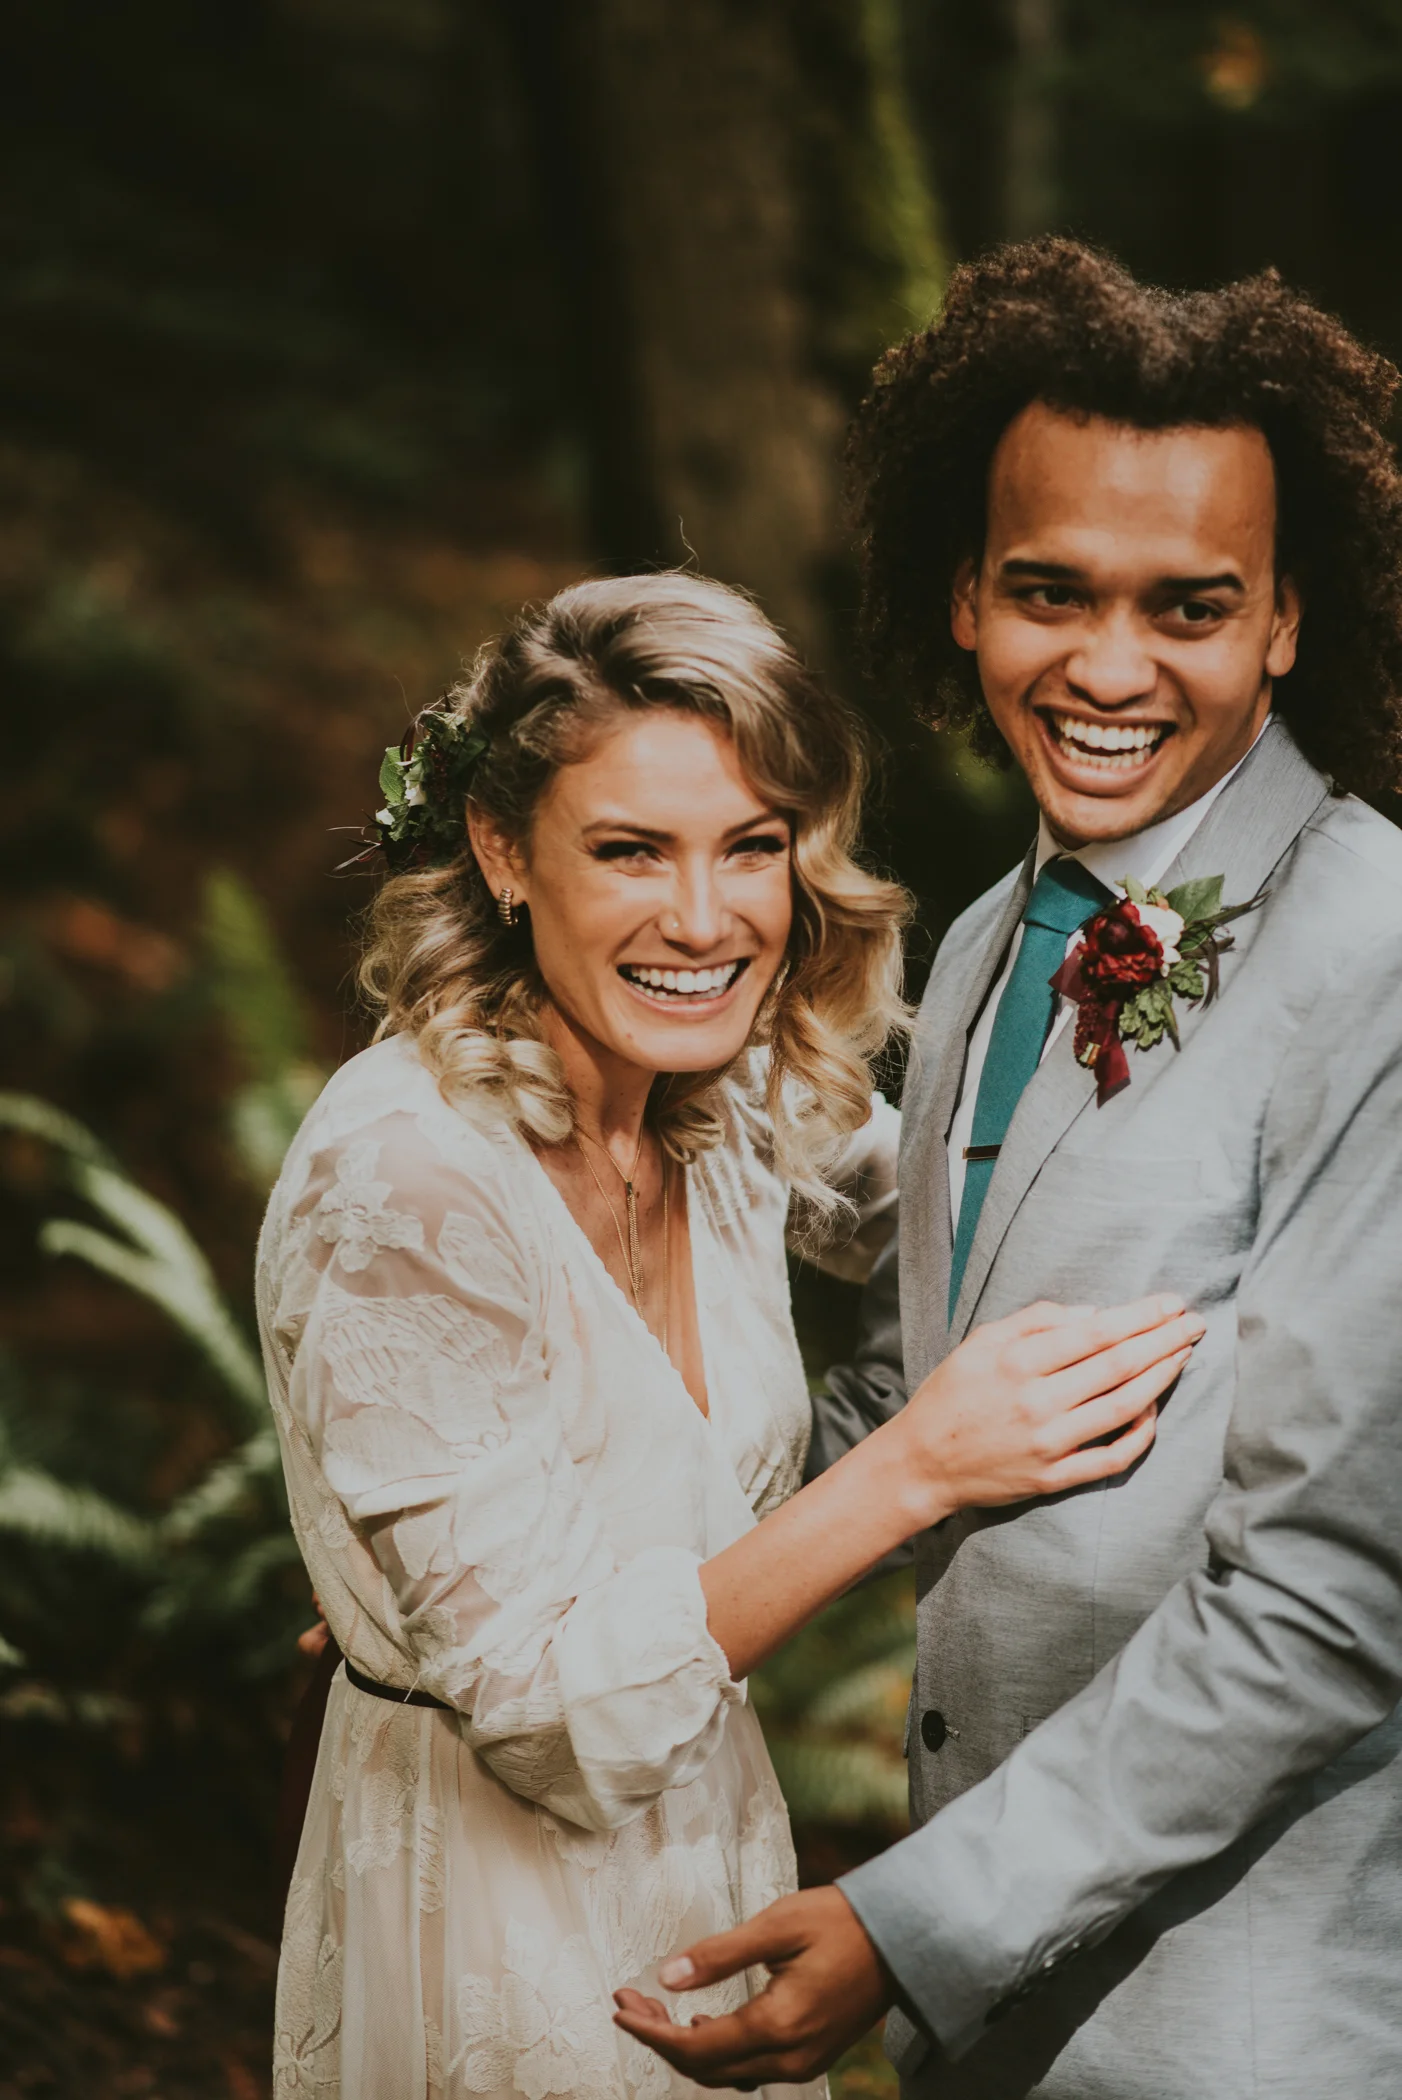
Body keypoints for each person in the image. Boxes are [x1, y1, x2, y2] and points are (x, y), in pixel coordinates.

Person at [616, 242, 1402, 2098]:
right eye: (1048, 591)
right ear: (963, 597)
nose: (1107, 668)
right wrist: (549, 1574)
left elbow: (1332, 1591)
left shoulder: (1374, 955)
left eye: (1187, 608)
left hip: (1245, 2027)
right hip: (1008, 2038)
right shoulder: (981, 945)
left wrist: (912, 1925)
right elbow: (915, 1388)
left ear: (1285, 618)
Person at [257, 571, 1193, 2099]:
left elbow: (972, 1227)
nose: (704, 921)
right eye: (629, 851)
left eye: (750, 847)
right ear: (501, 852)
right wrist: (909, 1470)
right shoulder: (406, 1181)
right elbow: (551, 1726)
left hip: (710, 1851)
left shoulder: (725, 1093)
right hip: (486, 1909)